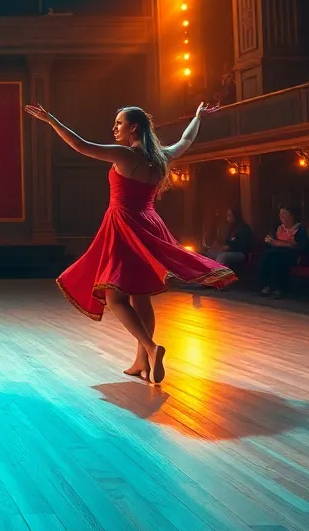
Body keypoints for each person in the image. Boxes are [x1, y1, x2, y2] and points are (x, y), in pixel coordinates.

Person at [25, 102, 235, 384]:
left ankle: (150, 347)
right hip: (150, 223)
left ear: (134, 127)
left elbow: (80, 145)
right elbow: (186, 140)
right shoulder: (161, 157)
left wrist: (50, 119)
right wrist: (197, 117)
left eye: (119, 123)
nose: (114, 128)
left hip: (124, 224)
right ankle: (140, 361)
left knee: (114, 296)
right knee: (140, 294)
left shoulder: (124, 155)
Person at [258, 205, 308, 299]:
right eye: (280, 215)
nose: (282, 217)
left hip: (292, 254)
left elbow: (300, 246)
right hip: (277, 253)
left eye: (285, 214)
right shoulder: (279, 228)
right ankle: (269, 285)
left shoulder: (299, 229)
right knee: (268, 257)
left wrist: (279, 244)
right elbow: (273, 241)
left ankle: (280, 289)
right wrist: (270, 240)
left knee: (277, 260)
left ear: (292, 216)